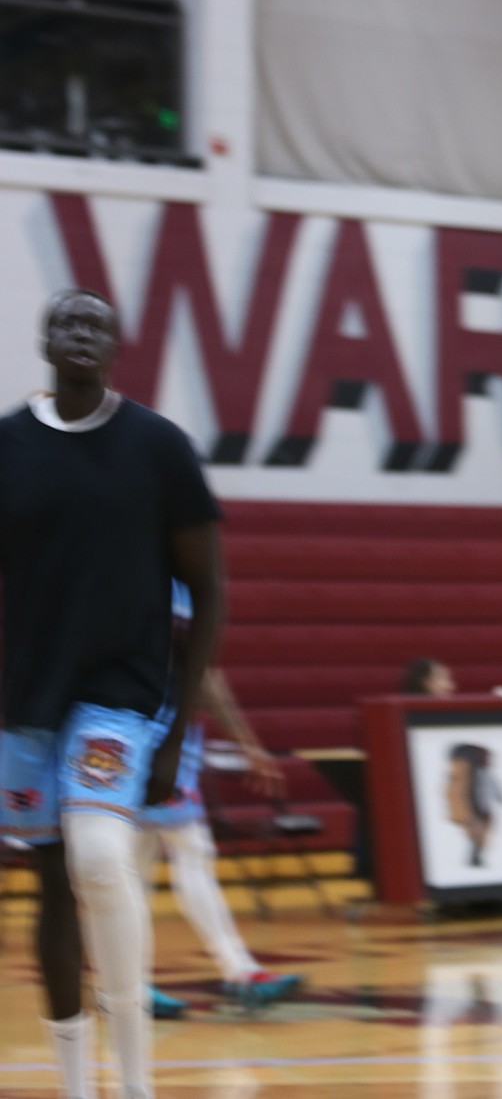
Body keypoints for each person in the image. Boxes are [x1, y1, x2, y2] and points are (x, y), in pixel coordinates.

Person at [0, 289, 222, 1099]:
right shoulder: (8, 445)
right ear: (44, 339)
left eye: (95, 322)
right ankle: (75, 1084)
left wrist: (175, 731)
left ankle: (134, 1082)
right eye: (67, 320)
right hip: (22, 702)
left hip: (120, 696)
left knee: (99, 857)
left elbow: (210, 593)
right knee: (50, 881)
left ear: (117, 343)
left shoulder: (158, 447)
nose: (81, 332)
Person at [141, 597, 304, 1018]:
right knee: (185, 851)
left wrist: (246, 742)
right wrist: (248, 743)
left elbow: (206, 674)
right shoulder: (168, 584)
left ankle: (132, 985)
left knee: (139, 864)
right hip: (149, 732)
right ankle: (236, 971)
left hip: (155, 732)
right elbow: (205, 676)